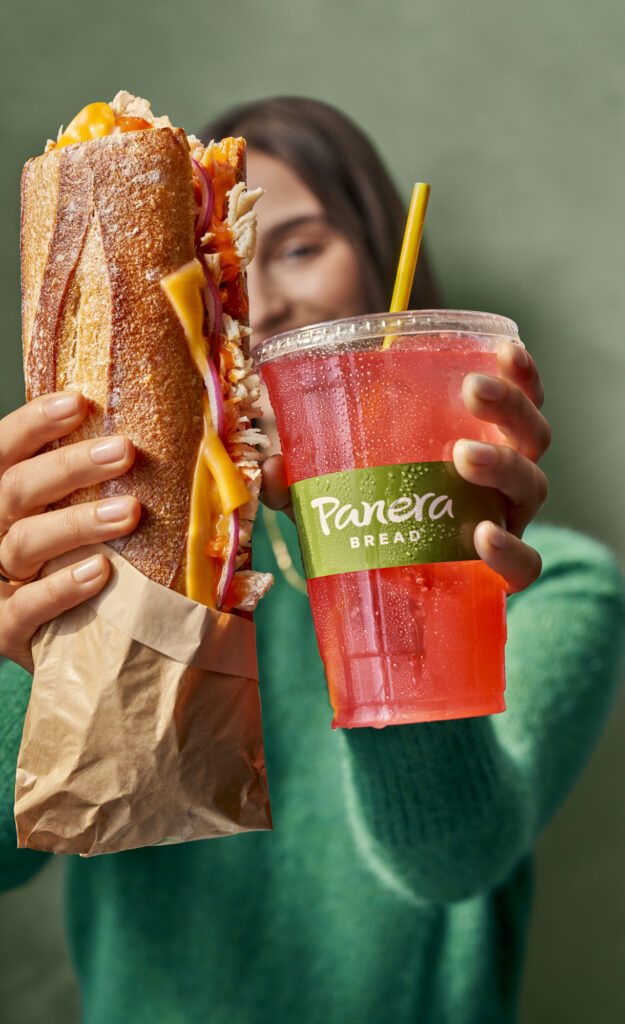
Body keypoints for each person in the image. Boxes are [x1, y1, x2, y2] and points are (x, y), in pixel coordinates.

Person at [0, 97, 624, 1024]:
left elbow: (448, 861)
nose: (267, 300)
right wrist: (25, 647)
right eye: (230, 269)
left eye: (298, 247)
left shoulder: (552, 583)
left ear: (379, 258)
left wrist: (397, 563)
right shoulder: (139, 565)